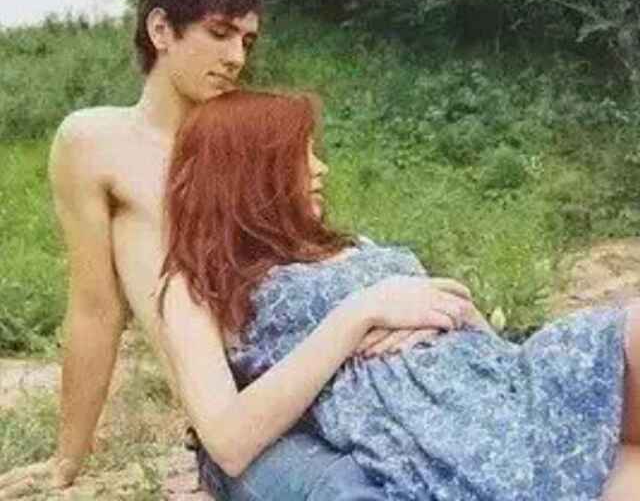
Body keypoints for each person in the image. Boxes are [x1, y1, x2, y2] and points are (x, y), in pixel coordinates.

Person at [0, 0, 476, 500]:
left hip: (320, 372)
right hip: (230, 400)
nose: (236, 57)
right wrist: (69, 457)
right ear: (161, 29)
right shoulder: (96, 142)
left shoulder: (248, 137)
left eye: (246, 41)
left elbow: (304, 265)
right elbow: (94, 307)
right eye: (220, 33)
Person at [159, 88, 640, 501]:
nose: (321, 168)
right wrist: (360, 314)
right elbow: (228, 443)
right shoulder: (197, 283)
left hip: (505, 379)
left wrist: (462, 314)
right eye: (299, 157)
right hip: (442, 432)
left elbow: (459, 324)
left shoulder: (345, 245)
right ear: (247, 172)